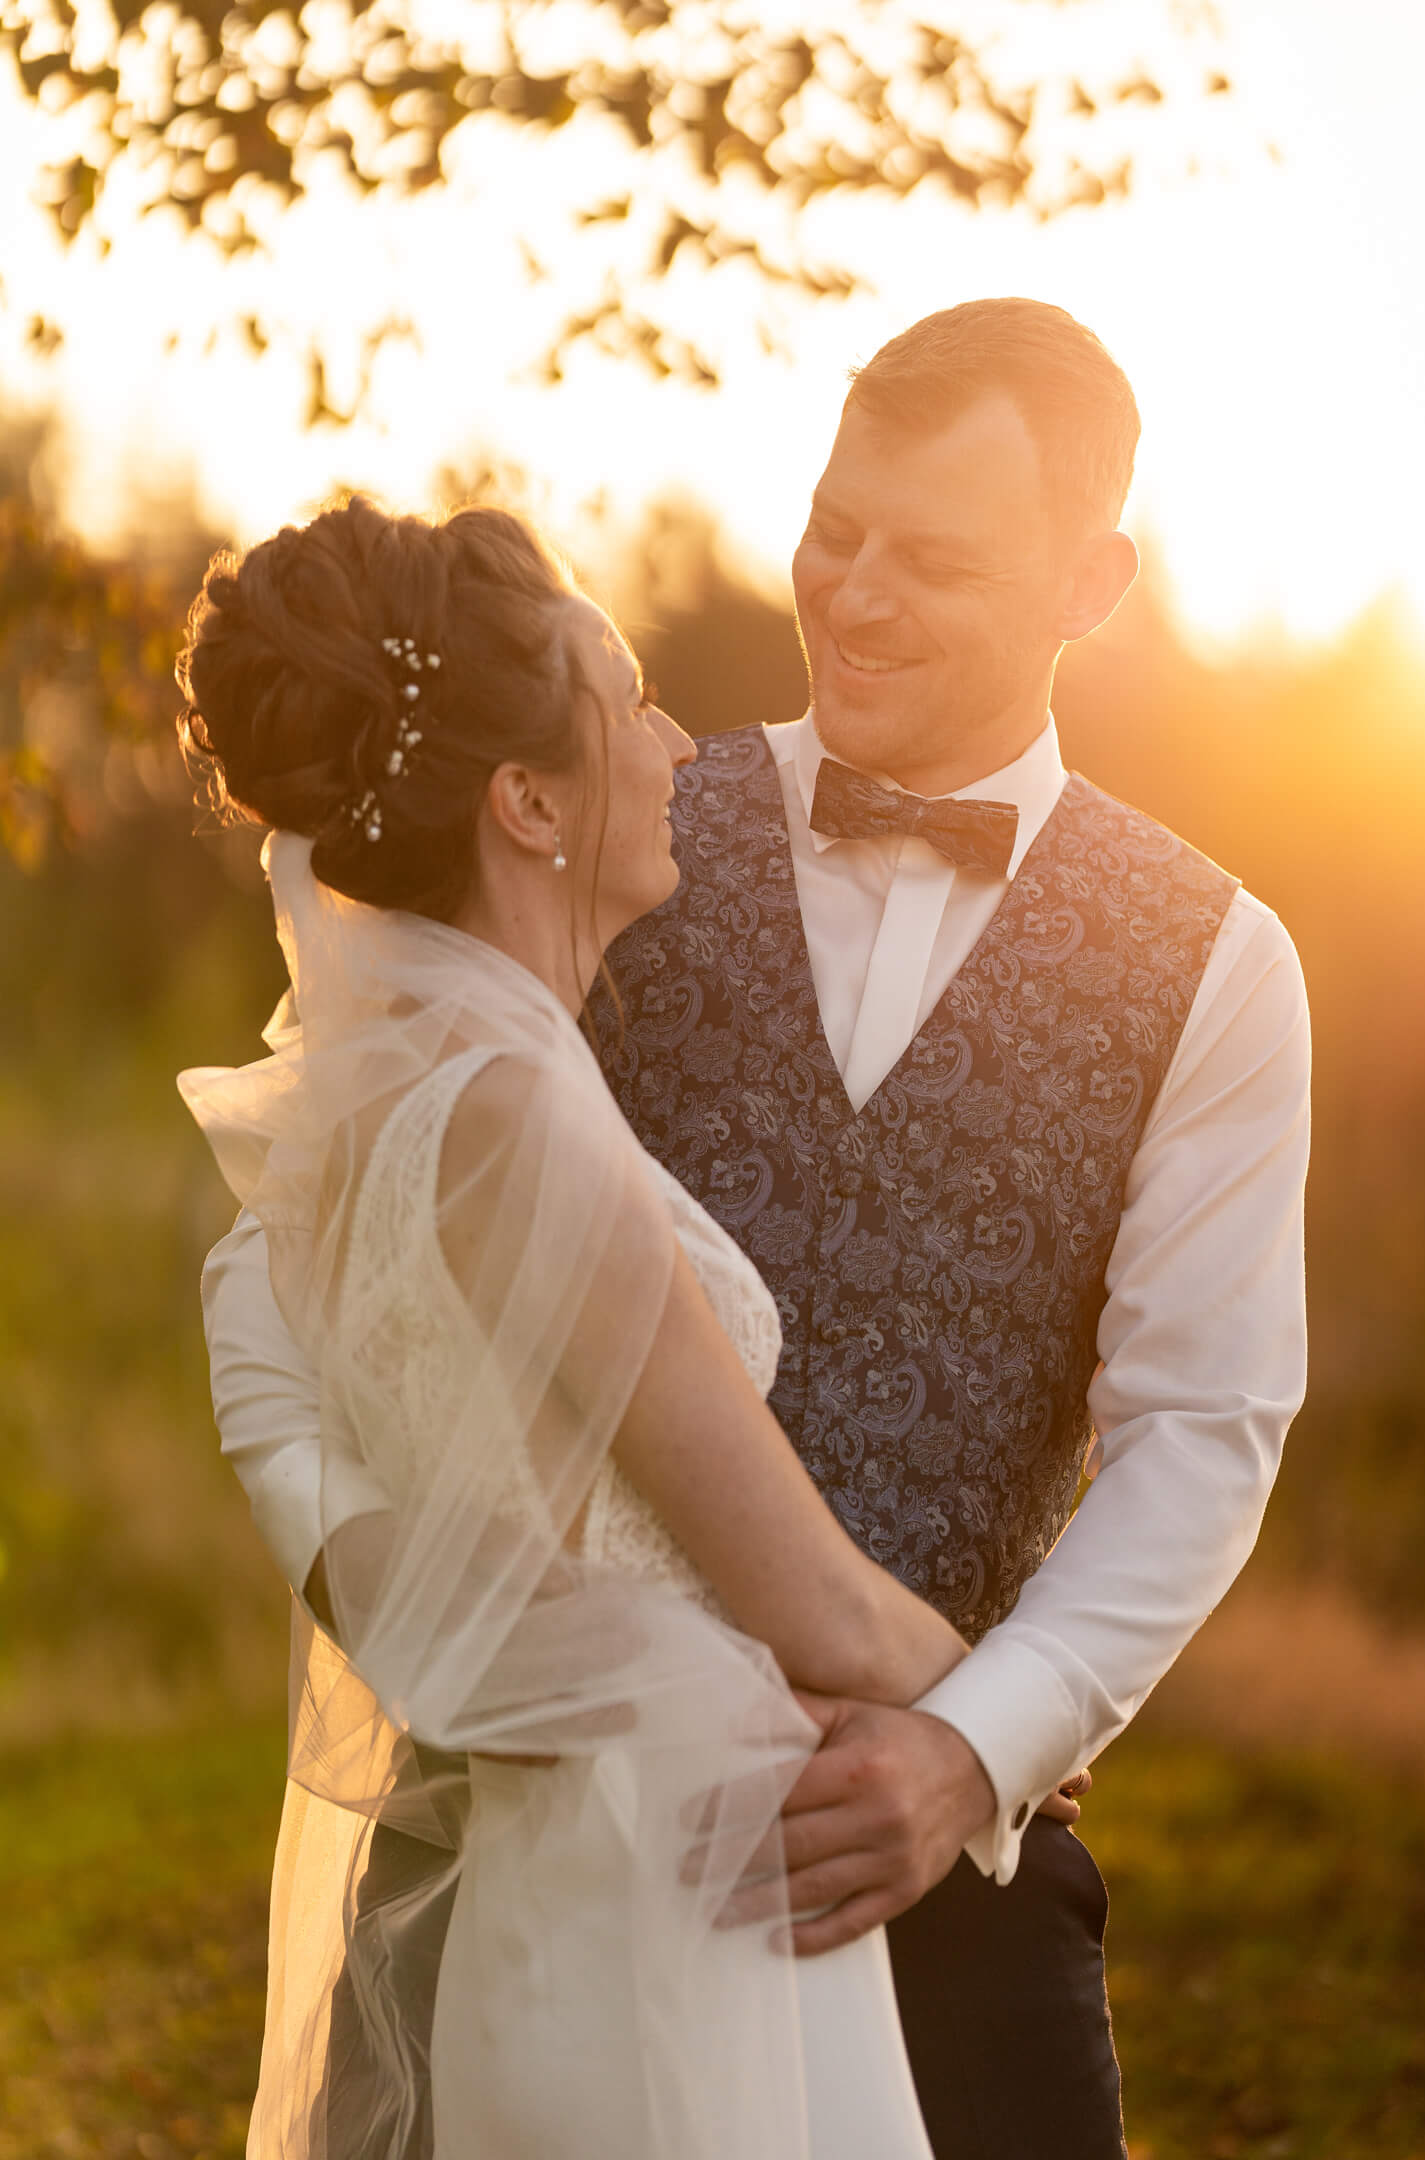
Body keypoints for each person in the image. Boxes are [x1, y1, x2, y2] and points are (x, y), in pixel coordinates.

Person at [205, 298, 1310, 2158]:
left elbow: (1203, 1434)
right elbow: (312, 1236)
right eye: (834, 527)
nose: (854, 594)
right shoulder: (599, 826)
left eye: (933, 560)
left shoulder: (1220, 963)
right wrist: (409, 1606)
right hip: (550, 1852)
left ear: (1089, 584)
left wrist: (975, 1746)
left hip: (942, 1855)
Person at [179, 495, 999, 2158]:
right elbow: (807, 1595)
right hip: (676, 1909)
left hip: (570, 1883)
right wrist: (1007, 1719)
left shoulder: (349, 1147)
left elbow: (399, 1568)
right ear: (529, 799)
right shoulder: (516, 1123)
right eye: (632, 699)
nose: (679, 742)